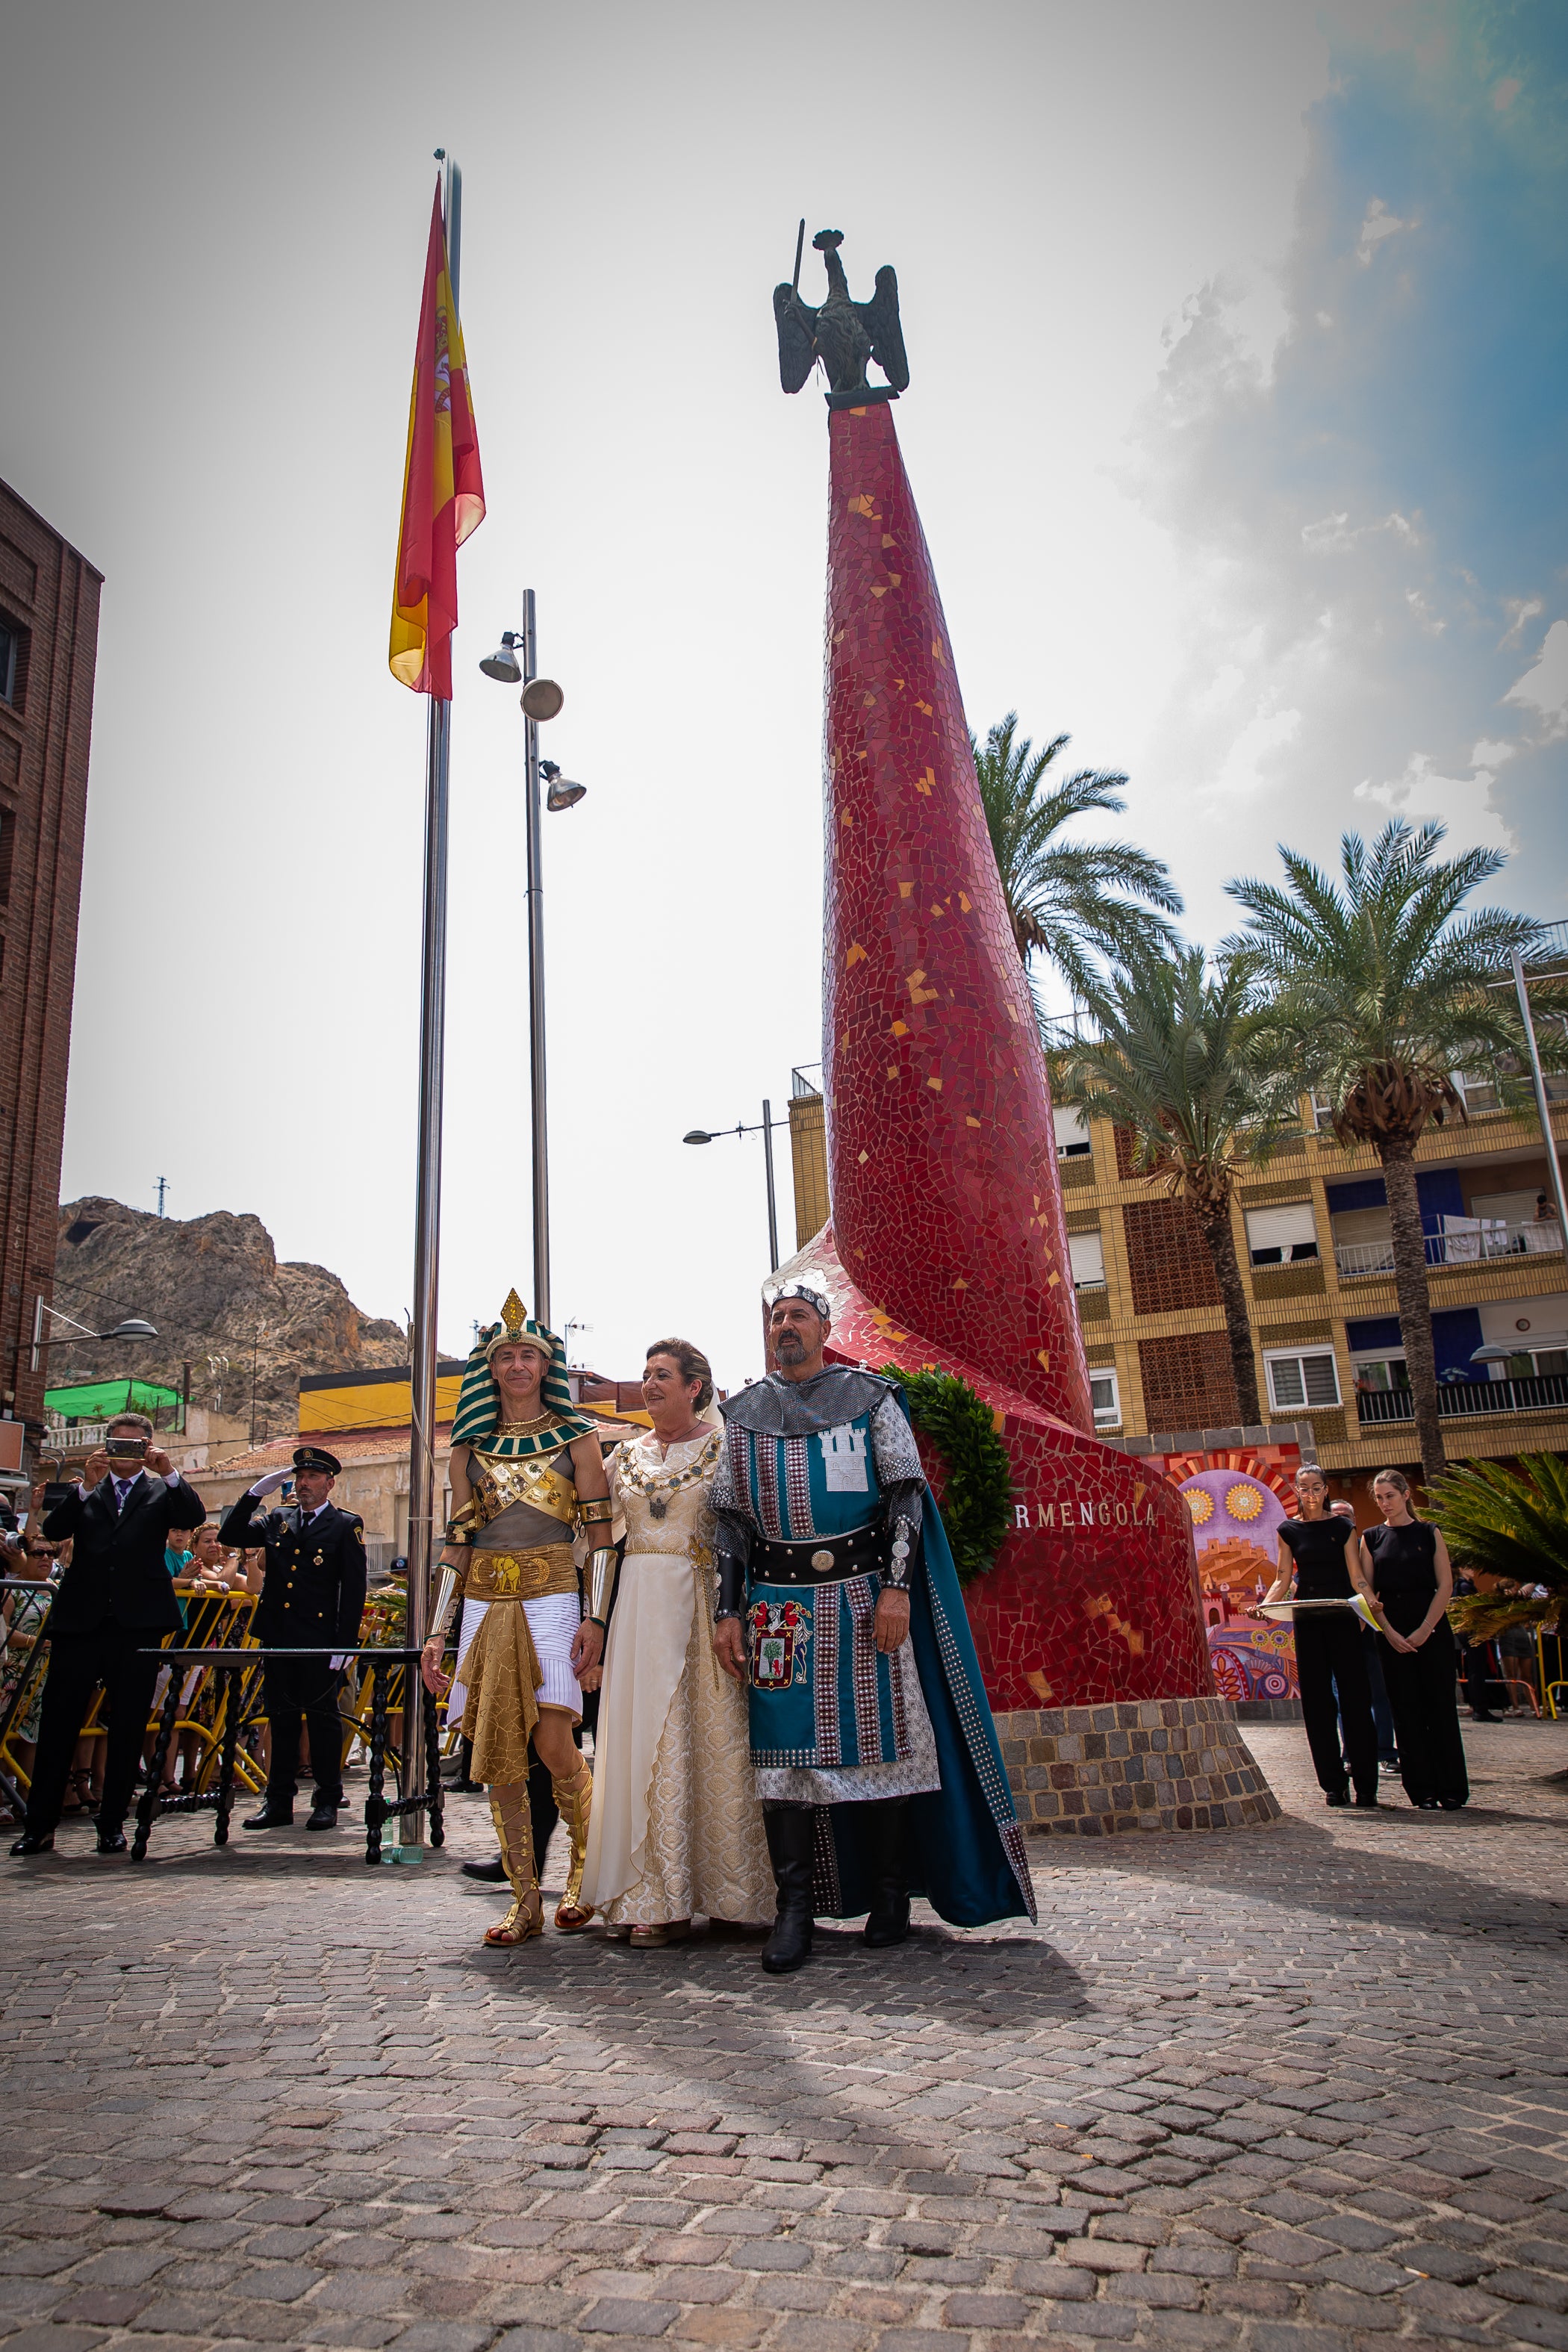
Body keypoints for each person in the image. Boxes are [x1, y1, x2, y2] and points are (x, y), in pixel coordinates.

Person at [712, 1281, 1036, 1975]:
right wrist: (725, 1611)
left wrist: (896, 1591)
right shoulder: (741, 1417)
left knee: (883, 1744)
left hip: (865, 1602)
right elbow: (731, 1521)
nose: (786, 1327)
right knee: (783, 1758)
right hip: (778, 1612)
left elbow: (905, 1494)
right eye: (776, 1319)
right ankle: (795, 1908)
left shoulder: (871, 1399)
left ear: (825, 1327)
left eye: (799, 1315)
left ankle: (891, 1895)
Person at [420, 1290, 612, 1947]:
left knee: (554, 1746)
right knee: (498, 1760)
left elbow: (603, 1540)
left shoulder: (579, 1439)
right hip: (483, 1603)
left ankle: (587, 1878)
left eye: (528, 1353)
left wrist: (598, 1620)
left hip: (555, 1597)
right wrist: (436, 1632)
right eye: (507, 1355)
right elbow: (454, 1547)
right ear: (491, 1369)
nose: (518, 1364)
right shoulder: (468, 1449)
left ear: (545, 1364)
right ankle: (525, 1902)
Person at [582, 1338, 773, 1947]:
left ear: (696, 1386)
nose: (649, 1384)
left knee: (713, 1739)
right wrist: (596, 1619)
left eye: (663, 1375)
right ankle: (652, 1898)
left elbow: (747, 1534)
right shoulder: (623, 1458)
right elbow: (599, 1542)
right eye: (645, 1375)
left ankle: (727, 1893)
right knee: (648, 1745)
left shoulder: (726, 1448)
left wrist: (734, 1610)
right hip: (637, 1607)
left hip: (702, 1604)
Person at [10, 1413, 206, 1856]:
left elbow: (192, 1515)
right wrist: (84, 1486)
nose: (124, 1453)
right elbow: (56, 1531)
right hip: (82, 1619)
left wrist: (169, 1472)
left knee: (127, 1725)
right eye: (116, 1444)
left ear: (148, 1448)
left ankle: (112, 1822)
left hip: (135, 1623)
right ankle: (39, 1824)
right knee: (60, 1722)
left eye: (134, 1446)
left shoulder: (161, 1490)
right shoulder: (88, 1490)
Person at [219, 1446, 367, 1831]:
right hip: (279, 1633)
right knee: (281, 1719)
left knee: (322, 1719)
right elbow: (230, 1533)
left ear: (329, 1484)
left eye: (313, 1478)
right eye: (300, 1477)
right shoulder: (277, 1519)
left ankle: (327, 1797)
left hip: (320, 1637)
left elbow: (353, 1589)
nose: (304, 1484)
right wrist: (254, 1495)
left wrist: (346, 1643)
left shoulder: (344, 1524)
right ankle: (279, 1800)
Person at [1353, 1467, 1468, 1809]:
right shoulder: (1371, 1538)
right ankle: (1421, 1790)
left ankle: (1451, 1788)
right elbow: (1367, 1591)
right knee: (1406, 1711)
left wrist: (1424, 1630)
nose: (1384, 1502)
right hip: (1392, 1635)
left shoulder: (1430, 1532)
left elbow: (1445, 1585)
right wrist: (1389, 1632)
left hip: (1431, 1628)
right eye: (1379, 1497)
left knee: (1441, 1709)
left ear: (1406, 1495)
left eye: (1390, 1495)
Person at [1264, 1469, 1378, 1808]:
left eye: (1317, 1488)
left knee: (1356, 1700)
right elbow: (1282, 1579)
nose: (1311, 1493)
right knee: (1317, 1703)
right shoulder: (1288, 1530)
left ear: (1326, 1490)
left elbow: (1357, 1576)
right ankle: (1333, 1783)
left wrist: (1370, 1600)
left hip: (1342, 1615)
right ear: (1296, 1491)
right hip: (1309, 1618)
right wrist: (1266, 1606)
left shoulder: (1343, 1526)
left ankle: (1366, 1784)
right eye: (1305, 1488)